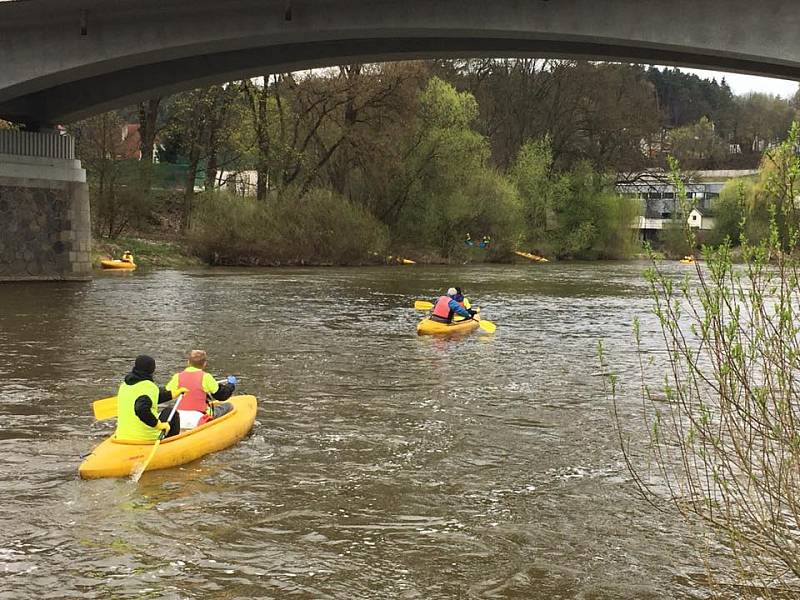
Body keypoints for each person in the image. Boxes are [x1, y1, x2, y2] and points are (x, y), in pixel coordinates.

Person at [115, 355, 186, 442]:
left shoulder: (124, 385)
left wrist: (173, 394)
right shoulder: (149, 387)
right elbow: (141, 409)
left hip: (122, 436)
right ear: (152, 370)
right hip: (146, 437)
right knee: (171, 412)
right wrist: (158, 425)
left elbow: (151, 399)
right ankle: (170, 443)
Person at [166, 349, 236, 429]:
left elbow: (166, 393)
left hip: (179, 415)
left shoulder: (177, 377)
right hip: (199, 417)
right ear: (204, 364)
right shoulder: (206, 377)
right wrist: (231, 385)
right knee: (228, 406)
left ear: (188, 362)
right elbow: (222, 396)